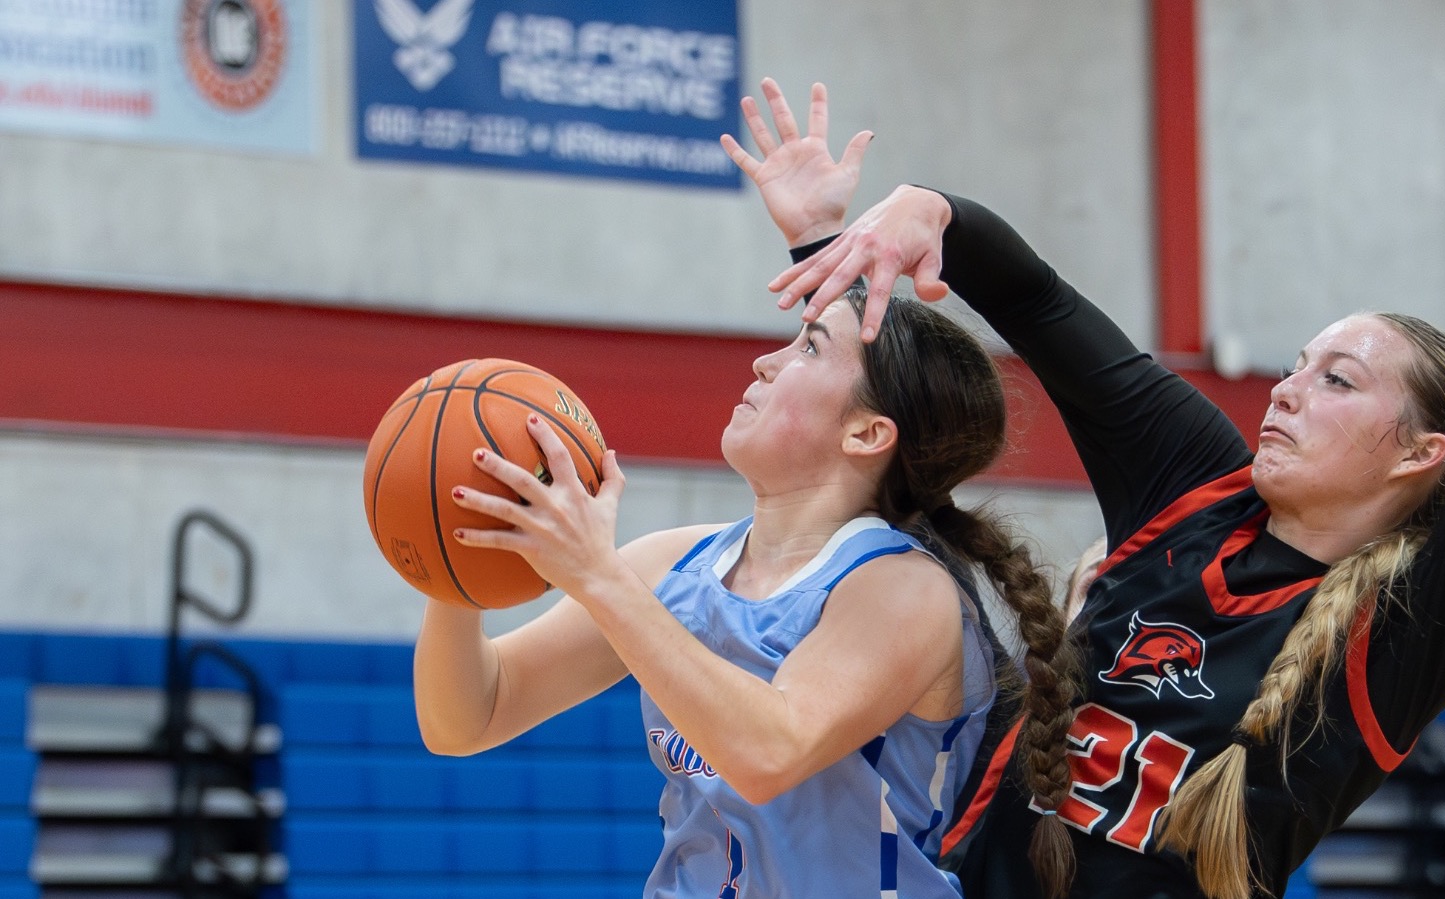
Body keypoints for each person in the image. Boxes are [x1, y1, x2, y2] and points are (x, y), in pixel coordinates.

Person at [735, 14, 1445, 899]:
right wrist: (903, 217)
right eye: (1295, 365)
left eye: (1336, 380)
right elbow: (1035, 301)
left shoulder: (1407, 627)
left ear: (1419, 453)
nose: (1286, 390)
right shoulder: (1195, 486)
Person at [410, 152, 1082, 893]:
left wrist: (597, 574)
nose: (765, 361)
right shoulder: (674, 563)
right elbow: (469, 716)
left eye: (807, 348)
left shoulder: (902, 591)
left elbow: (770, 748)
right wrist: (453, 561)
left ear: (867, 433)